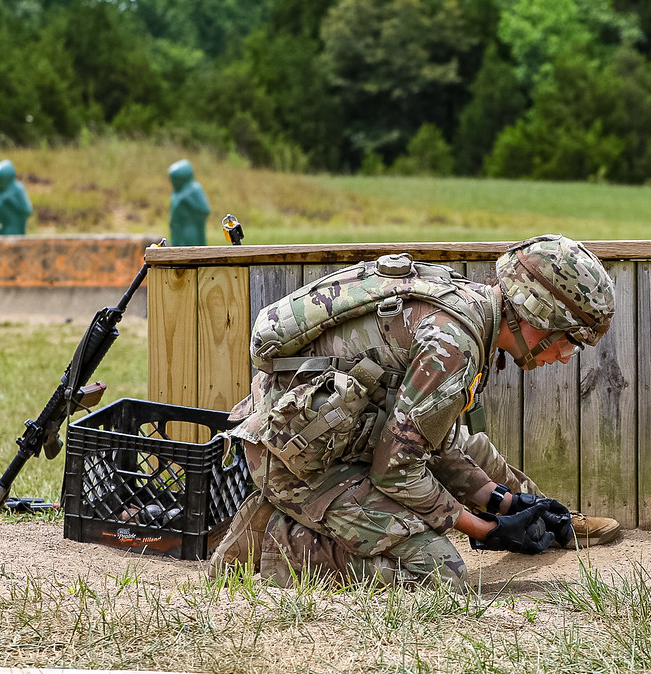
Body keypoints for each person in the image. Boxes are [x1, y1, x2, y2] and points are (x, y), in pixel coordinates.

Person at [211, 235, 622, 590]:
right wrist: (484, 530)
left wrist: (506, 504)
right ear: (539, 316)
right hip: (297, 465)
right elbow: (397, 469)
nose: (566, 356)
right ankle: (272, 539)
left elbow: (431, 445)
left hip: (335, 443)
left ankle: (546, 518)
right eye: (570, 340)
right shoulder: (452, 346)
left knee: (474, 449)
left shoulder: (471, 309)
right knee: (440, 571)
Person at [167, 159, 210, 246]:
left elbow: (205, 210)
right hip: (177, 231)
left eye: (175, 179)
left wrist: (186, 200)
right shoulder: (176, 192)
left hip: (189, 231)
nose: (173, 182)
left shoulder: (194, 189)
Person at [0, 160, 33, 235]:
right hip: (1, 232)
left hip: (16, 232)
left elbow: (27, 211)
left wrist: (11, 202)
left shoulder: (17, 189)